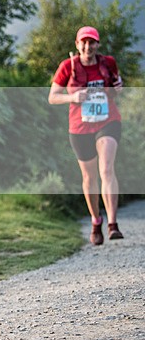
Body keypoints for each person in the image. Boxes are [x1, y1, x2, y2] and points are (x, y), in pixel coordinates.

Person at [48, 26, 124, 245]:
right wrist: (73, 98)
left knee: (107, 169)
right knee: (90, 178)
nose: (88, 46)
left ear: (97, 45)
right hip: (80, 127)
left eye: (92, 42)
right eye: (84, 42)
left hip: (108, 121)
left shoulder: (108, 63)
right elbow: (52, 97)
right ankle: (96, 220)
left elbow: (117, 87)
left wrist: (119, 88)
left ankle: (112, 224)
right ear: (77, 44)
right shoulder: (68, 66)